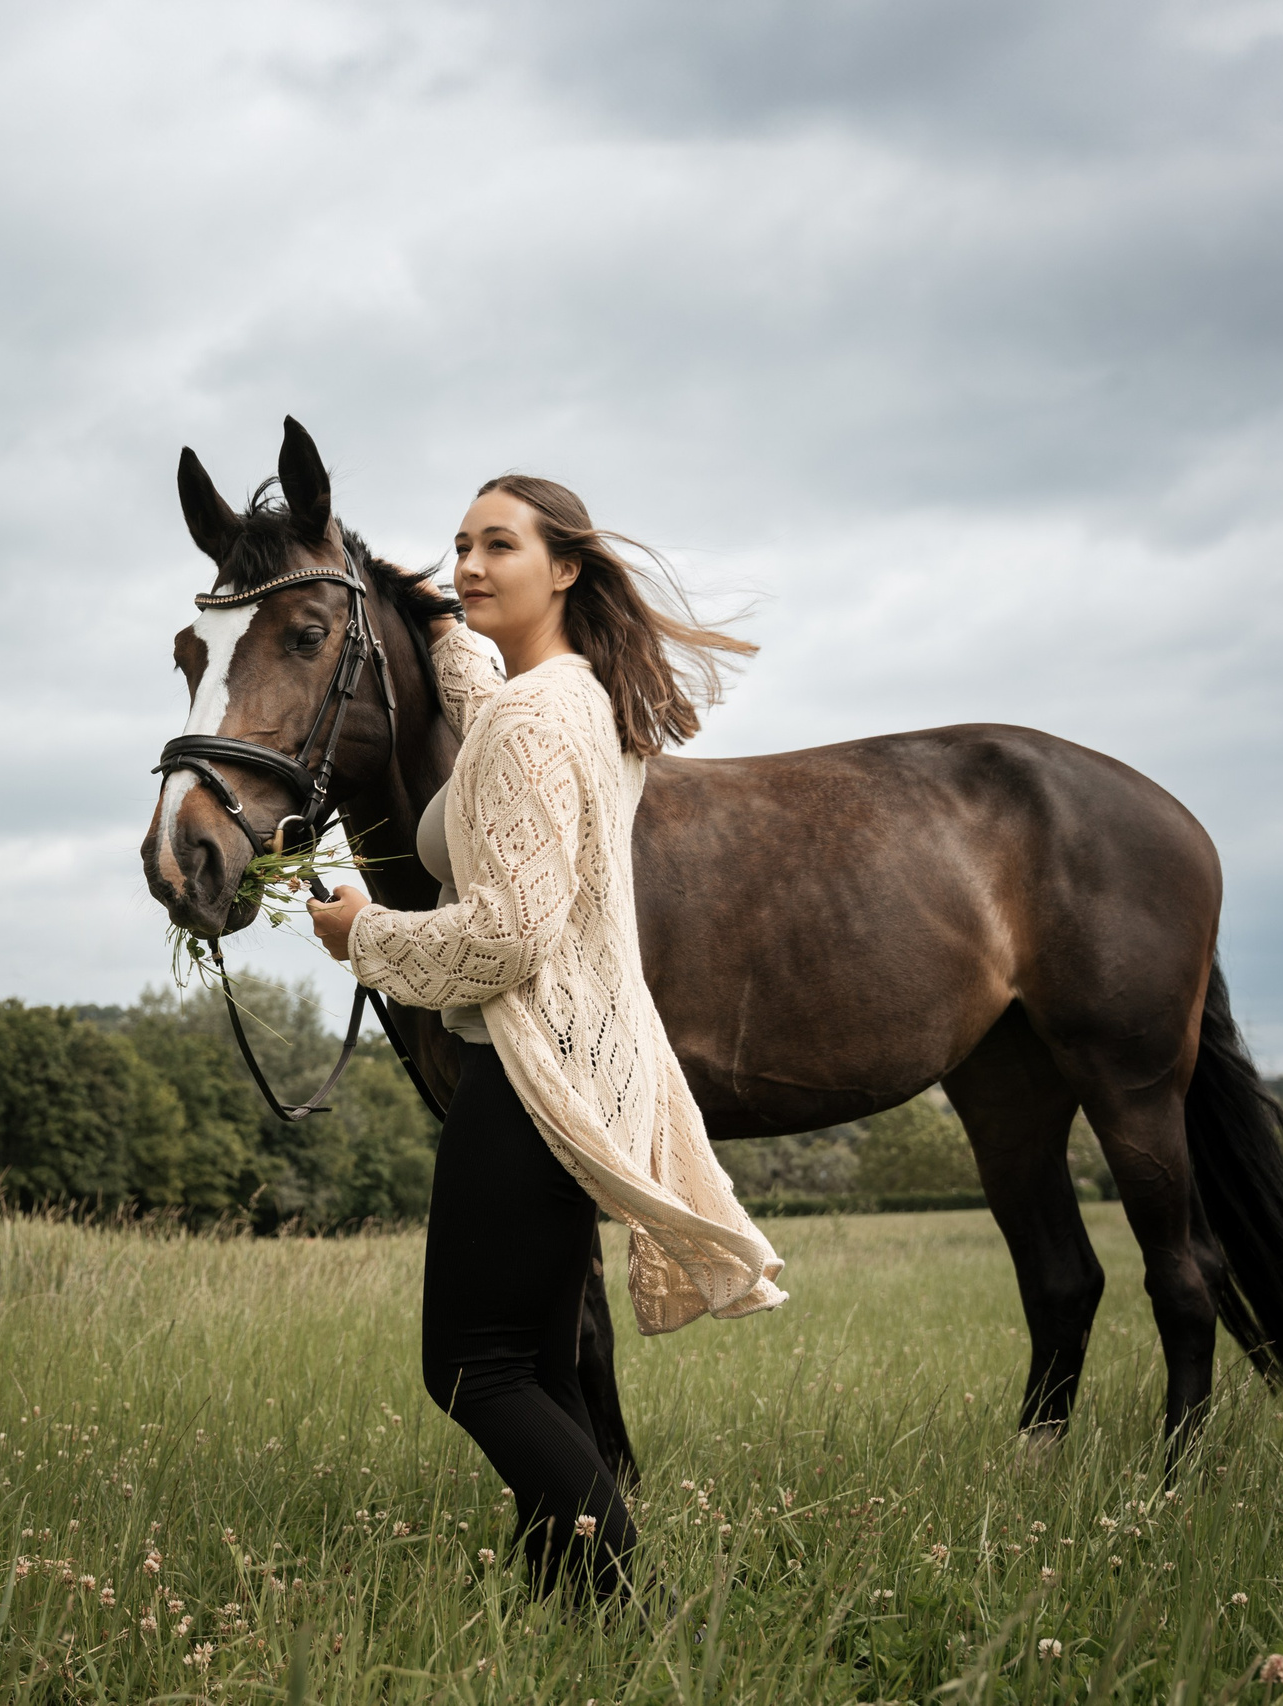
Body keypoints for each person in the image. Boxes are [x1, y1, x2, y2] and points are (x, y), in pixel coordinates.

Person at [307, 476, 788, 1604]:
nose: (471, 564)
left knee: (472, 1369)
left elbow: (507, 936)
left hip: (527, 1075)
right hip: (581, 1068)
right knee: (535, 1359)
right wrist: (443, 635)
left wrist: (361, 934)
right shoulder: (574, 698)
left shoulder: (531, 721)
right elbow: (492, 723)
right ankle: (582, 1611)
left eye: (500, 545)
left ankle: (635, 1600)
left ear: (564, 568)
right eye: (460, 545)